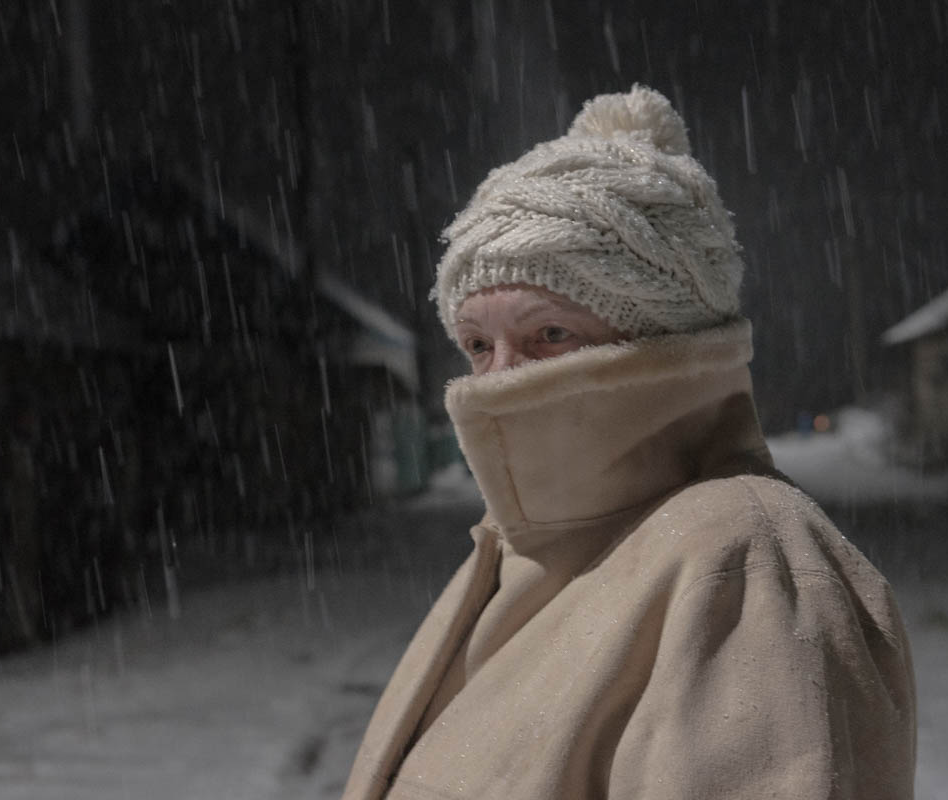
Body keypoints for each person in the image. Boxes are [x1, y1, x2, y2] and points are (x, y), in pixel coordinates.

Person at [342, 85, 915, 800]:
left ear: (663, 338)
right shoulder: (521, 547)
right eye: (477, 344)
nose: (499, 381)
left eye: (550, 333)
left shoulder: (739, 560)